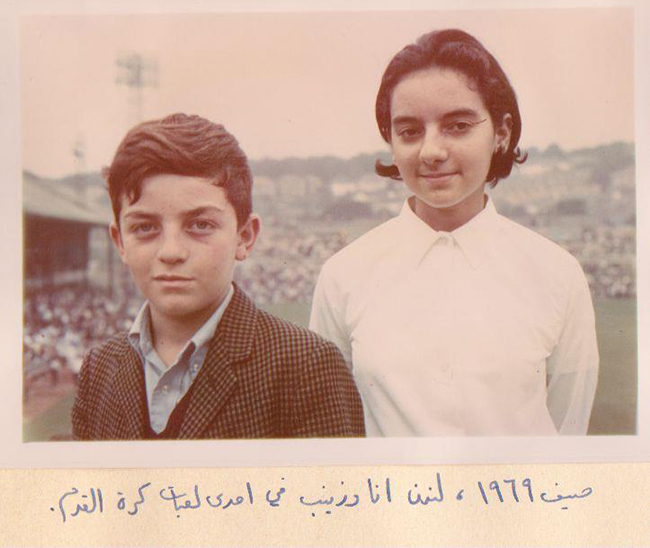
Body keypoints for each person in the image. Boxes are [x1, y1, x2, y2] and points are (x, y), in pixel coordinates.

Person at [310, 29, 599, 436]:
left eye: (458, 126)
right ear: (390, 141)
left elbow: (568, 432)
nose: (431, 151)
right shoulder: (343, 276)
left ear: (501, 132)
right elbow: (333, 433)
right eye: (410, 131)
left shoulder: (557, 274)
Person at [72, 113, 364, 440]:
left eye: (200, 225)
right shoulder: (98, 369)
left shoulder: (308, 367)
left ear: (245, 236)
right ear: (120, 242)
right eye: (145, 227)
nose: (171, 251)